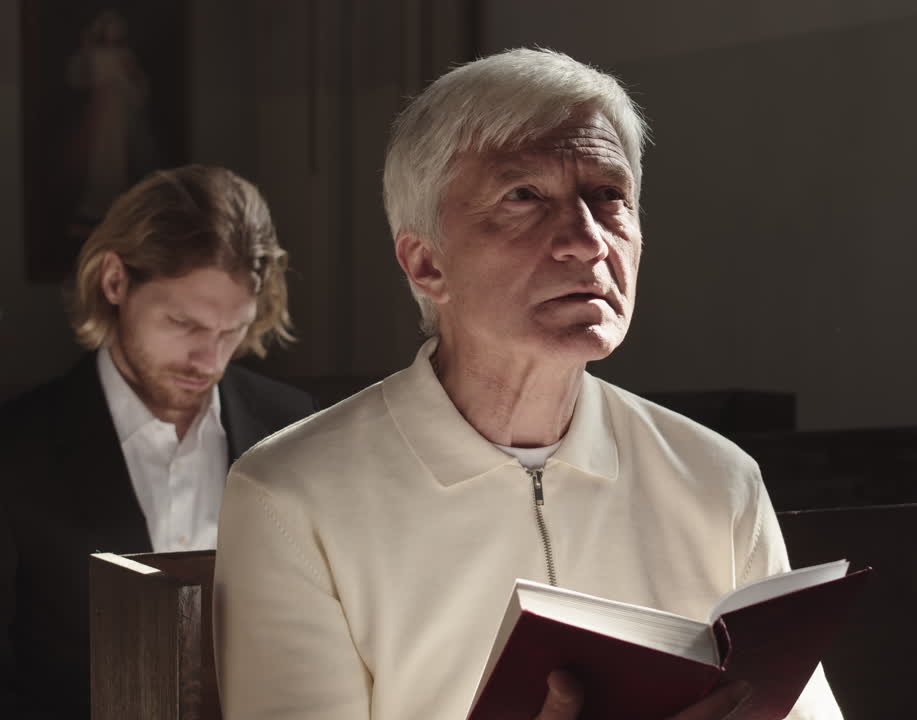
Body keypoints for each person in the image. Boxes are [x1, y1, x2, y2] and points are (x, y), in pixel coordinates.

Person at [213, 49, 843, 720]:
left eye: (609, 196)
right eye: (524, 197)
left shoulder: (718, 481)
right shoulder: (291, 497)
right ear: (426, 262)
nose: (586, 238)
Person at [0, 165, 316, 719]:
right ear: (114, 282)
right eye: (184, 323)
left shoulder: (296, 429)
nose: (210, 360)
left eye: (231, 331)